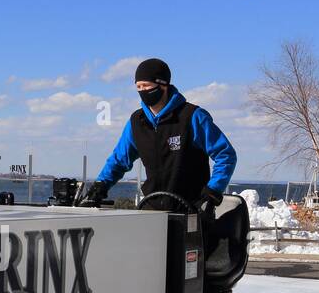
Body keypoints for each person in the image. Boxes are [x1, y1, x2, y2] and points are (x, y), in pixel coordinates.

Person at [83, 58, 237, 212]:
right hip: (152, 209)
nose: (142, 91)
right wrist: (100, 185)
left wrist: (213, 192)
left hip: (191, 208)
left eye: (147, 86)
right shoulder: (136, 122)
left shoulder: (192, 117)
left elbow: (225, 154)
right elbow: (119, 160)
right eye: (138, 87)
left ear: (163, 85)